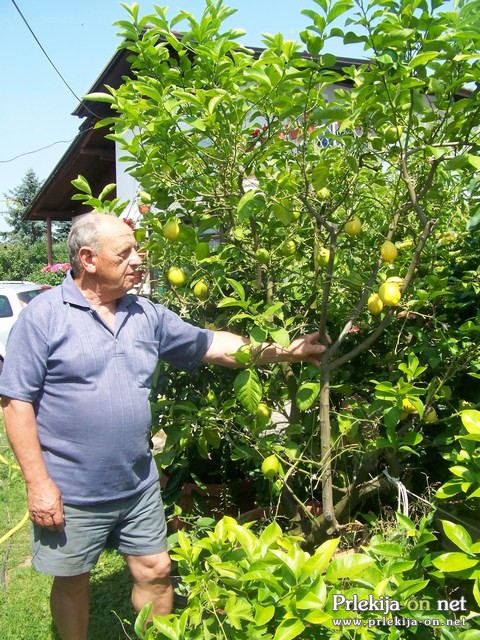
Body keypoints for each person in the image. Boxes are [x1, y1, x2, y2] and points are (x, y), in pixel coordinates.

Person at [0, 213, 327, 640]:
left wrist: (286, 351)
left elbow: (214, 345)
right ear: (88, 258)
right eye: (126, 253)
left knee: (156, 569)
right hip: (71, 488)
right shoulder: (43, 316)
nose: (139, 260)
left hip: (137, 482)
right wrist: (38, 483)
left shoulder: (146, 314)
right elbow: (15, 402)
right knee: (74, 581)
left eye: (137, 250)